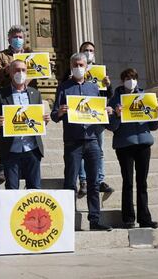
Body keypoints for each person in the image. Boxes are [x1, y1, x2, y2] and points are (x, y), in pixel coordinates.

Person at [51, 52, 113, 231]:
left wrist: (106, 111)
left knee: (93, 183)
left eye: (81, 65)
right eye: (75, 65)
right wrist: (61, 112)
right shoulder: (63, 87)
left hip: (92, 139)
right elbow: (55, 115)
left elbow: (98, 112)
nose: (78, 67)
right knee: (70, 182)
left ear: (86, 67)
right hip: (73, 141)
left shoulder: (94, 89)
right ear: (71, 67)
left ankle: (94, 220)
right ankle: (68, 221)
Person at [107, 68, 158, 229]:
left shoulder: (146, 97)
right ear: (122, 80)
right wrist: (117, 115)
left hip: (143, 144)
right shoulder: (115, 100)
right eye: (127, 77)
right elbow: (111, 126)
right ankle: (128, 218)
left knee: (142, 182)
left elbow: (153, 125)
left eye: (133, 77)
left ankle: (144, 218)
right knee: (128, 182)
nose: (130, 80)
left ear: (137, 80)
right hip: (124, 145)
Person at [0, 60, 50, 189]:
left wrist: (44, 121)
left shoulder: (35, 93)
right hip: (11, 149)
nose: (20, 73)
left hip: (32, 148)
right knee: (12, 189)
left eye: (23, 70)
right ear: (11, 73)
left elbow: (38, 120)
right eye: (17, 70)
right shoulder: (0, 94)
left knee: (34, 188)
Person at [0, 25, 34, 182]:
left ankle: (25, 162)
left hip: (26, 97)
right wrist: (6, 70)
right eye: (15, 37)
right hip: (8, 96)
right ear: (9, 39)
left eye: (20, 37)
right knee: (6, 129)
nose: (18, 39)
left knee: (25, 129)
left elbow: (38, 72)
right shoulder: (2, 56)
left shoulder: (31, 56)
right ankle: (3, 166)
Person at [76, 41, 114, 198]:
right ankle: (84, 180)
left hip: (97, 116)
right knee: (81, 151)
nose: (88, 53)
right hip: (80, 115)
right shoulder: (75, 69)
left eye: (91, 50)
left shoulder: (100, 71)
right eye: (85, 50)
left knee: (100, 150)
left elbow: (107, 96)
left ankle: (99, 180)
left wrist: (108, 85)